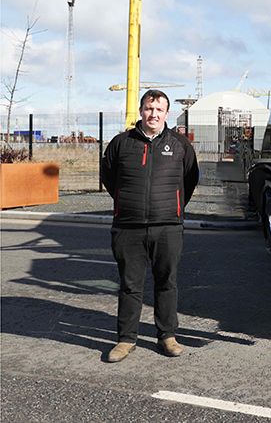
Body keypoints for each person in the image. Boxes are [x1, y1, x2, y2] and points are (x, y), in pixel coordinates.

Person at [100, 90, 199, 363]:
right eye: (148, 108)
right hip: (128, 227)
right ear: (141, 110)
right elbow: (108, 176)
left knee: (166, 282)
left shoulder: (180, 145)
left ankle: (167, 336)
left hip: (168, 227)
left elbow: (189, 180)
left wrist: (172, 207)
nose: (153, 114)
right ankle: (125, 339)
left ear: (167, 114)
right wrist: (127, 203)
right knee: (130, 285)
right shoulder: (121, 143)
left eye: (159, 110)